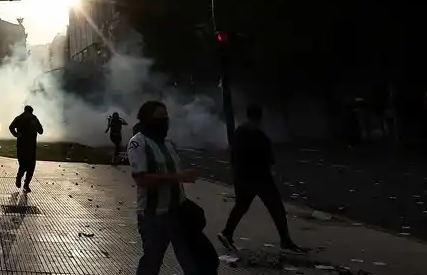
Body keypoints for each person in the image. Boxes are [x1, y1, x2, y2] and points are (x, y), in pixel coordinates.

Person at [218, 104, 304, 255]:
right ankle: (285, 241)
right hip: (260, 178)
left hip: (243, 177)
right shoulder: (259, 135)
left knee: (242, 206)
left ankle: (227, 233)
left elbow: (234, 156)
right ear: (260, 117)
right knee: (276, 207)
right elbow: (269, 159)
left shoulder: (239, 132)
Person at [128, 100, 201, 275]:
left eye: (166, 118)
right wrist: (177, 177)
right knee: (151, 264)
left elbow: (173, 171)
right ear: (146, 120)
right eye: (159, 118)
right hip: (154, 217)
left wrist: (183, 175)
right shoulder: (138, 143)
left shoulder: (168, 144)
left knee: (192, 263)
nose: (164, 122)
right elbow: (142, 180)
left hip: (178, 214)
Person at [8, 105, 44, 192]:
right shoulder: (29, 118)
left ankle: (23, 181)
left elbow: (41, 131)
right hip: (27, 146)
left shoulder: (25, 118)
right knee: (27, 166)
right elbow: (41, 131)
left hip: (26, 146)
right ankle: (23, 181)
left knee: (27, 166)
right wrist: (16, 134)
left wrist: (16, 134)